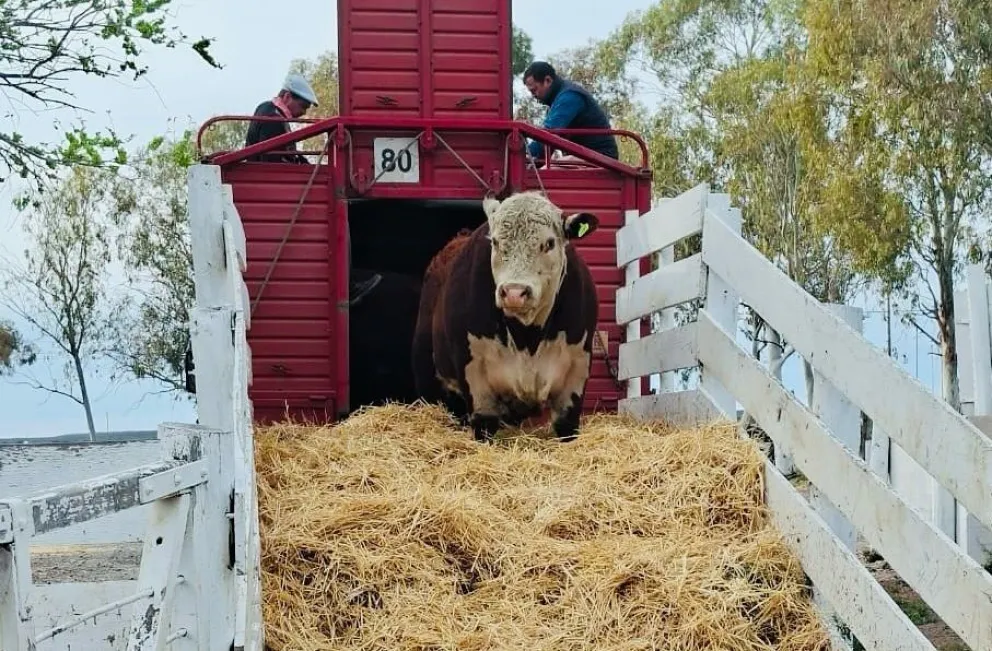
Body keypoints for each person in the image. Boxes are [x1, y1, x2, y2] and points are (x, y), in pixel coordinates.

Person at [245, 73, 381, 306]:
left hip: (274, 191)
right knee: (339, 222)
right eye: (303, 105)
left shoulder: (270, 114)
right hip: (279, 195)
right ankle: (347, 286)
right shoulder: (272, 119)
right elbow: (278, 163)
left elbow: (288, 158)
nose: (304, 112)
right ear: (287, 96)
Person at [521, 61, 619, 165]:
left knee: (551, 171)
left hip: (601, 157)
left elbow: (548, 135)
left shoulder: (569, 97)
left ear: (548, 80)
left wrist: (524, 155)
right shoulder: (556, 102)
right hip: (587, 156)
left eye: (534, 90)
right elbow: (548, 144)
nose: (533, 95)